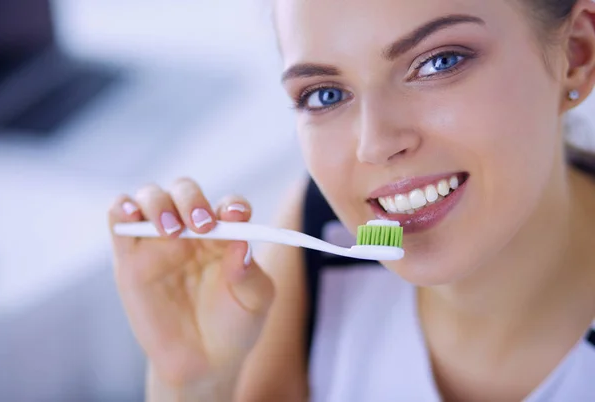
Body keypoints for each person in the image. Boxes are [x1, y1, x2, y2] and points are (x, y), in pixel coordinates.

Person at [108, 0, 595, 400]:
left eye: (438, 62)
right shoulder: (319, 232)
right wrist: (192, 383)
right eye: (324, 95)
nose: (375, 144)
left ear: (576, 53)